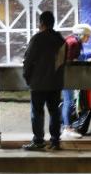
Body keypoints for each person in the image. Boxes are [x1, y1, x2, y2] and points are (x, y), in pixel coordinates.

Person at [22, 11, 66, 150]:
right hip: (55, 83)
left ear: (42, 23)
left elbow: (28, 60)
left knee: (37, 112)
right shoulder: (61, 40)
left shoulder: (37, 39)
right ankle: (55, 141)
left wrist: (27, 77)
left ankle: (39, 141)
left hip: (38, 83)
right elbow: (62, 62)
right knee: (54, 112)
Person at [61, 23, 91, 138]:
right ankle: (67, 128)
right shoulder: (73, 43)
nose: (88, 39)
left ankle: (67, 126)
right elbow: (68, 61)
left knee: (69, 101)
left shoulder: (75, 41)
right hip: (66, 75)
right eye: (87, 36)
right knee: (69, 101)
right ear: (81, 35)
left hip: (69, 75)